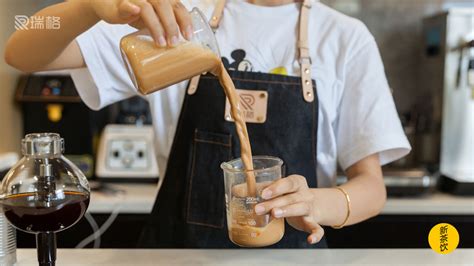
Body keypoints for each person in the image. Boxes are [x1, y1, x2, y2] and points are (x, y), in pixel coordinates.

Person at [4, 0, 411, 248]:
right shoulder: (176, 21)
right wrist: (86, 7)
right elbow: (22, 46)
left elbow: (372, 188)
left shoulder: (345, 37)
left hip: (293, 254)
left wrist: (318, 202)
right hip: (180, 255)